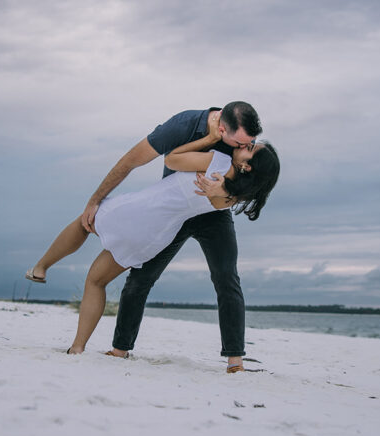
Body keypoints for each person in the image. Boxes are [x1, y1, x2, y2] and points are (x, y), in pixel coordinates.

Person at [27, 103, 278, 372]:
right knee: (127, 279)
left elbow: (176, 163)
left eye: (251, 144)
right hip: (160, 228)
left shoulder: (222, 171)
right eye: (244, 142)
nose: (246, 144)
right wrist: (222, 182)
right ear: (222, 129)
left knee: (85, 227)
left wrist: (221, 187)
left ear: (249, 167)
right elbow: (135, 160)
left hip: (150, 214)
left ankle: (234, 361)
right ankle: (111, 348)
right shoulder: (188, 130)